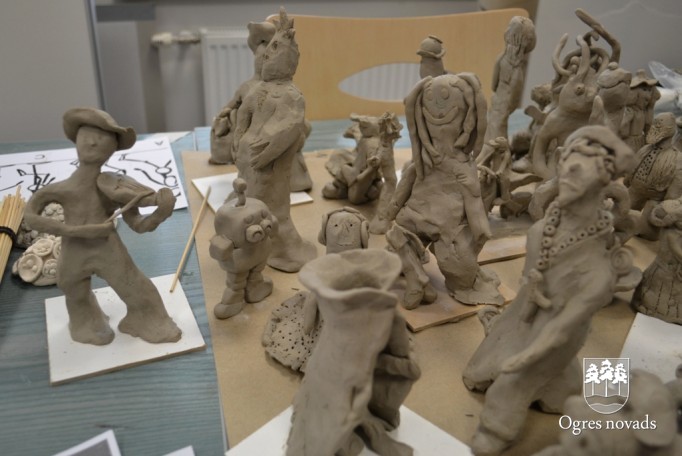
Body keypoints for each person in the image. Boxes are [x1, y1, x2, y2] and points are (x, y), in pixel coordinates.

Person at [463, 126, 639, 455]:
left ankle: (497, 427)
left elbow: (561, 331)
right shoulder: (542, 231)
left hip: (556, 335)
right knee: (486, 366)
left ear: (602, 180)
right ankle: (559, 386)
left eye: (581, 168)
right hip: (525, 318)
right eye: (567, 163)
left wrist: (524, 359)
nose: (568, 173)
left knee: (513, 381)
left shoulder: (597, 270)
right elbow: (529, 285)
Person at [24, 108, 181, 345]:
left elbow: (138, 225)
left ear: (113, 148)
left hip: (106, 247)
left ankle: (147, 320)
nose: (93, 142)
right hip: (74, 248)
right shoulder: (62, 189)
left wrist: (160, 213)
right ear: (76, 140)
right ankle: (86, 323)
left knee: (134, 285)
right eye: (87, 135)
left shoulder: (115, 187)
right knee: (73, 289)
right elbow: (30, 215)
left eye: (102, 137)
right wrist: (76, 231)